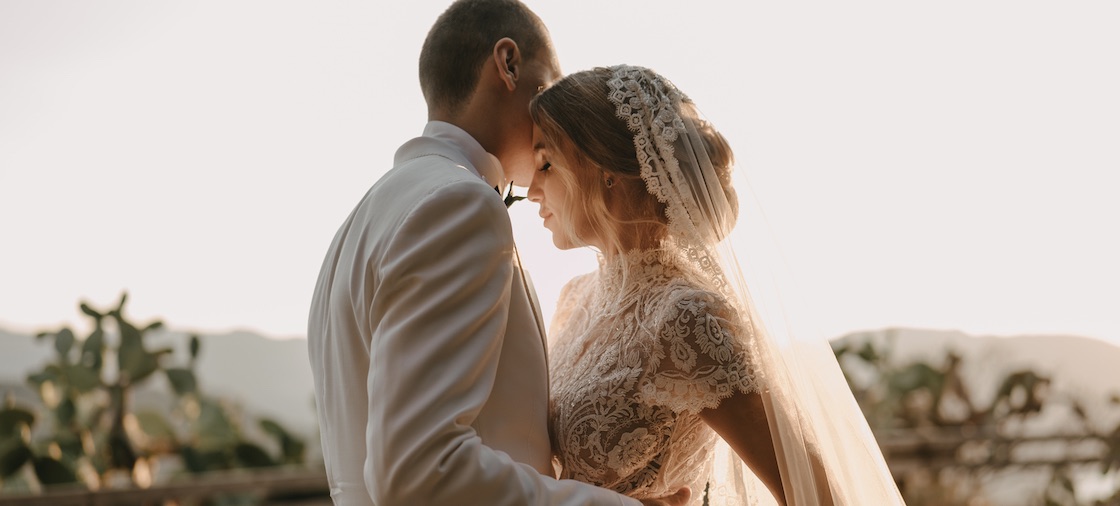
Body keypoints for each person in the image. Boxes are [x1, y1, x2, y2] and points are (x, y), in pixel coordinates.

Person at [307, 2, 689, 505]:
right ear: (507, 64)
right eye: (550, 84)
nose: (556, 118)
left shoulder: (360, 223)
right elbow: (419, 470)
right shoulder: (457, 205)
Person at [527, 65, 906, 505]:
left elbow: (816, 494)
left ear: (604, 168)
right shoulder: (575, 297)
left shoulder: (685, 317)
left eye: (546, 163)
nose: (533, 188)